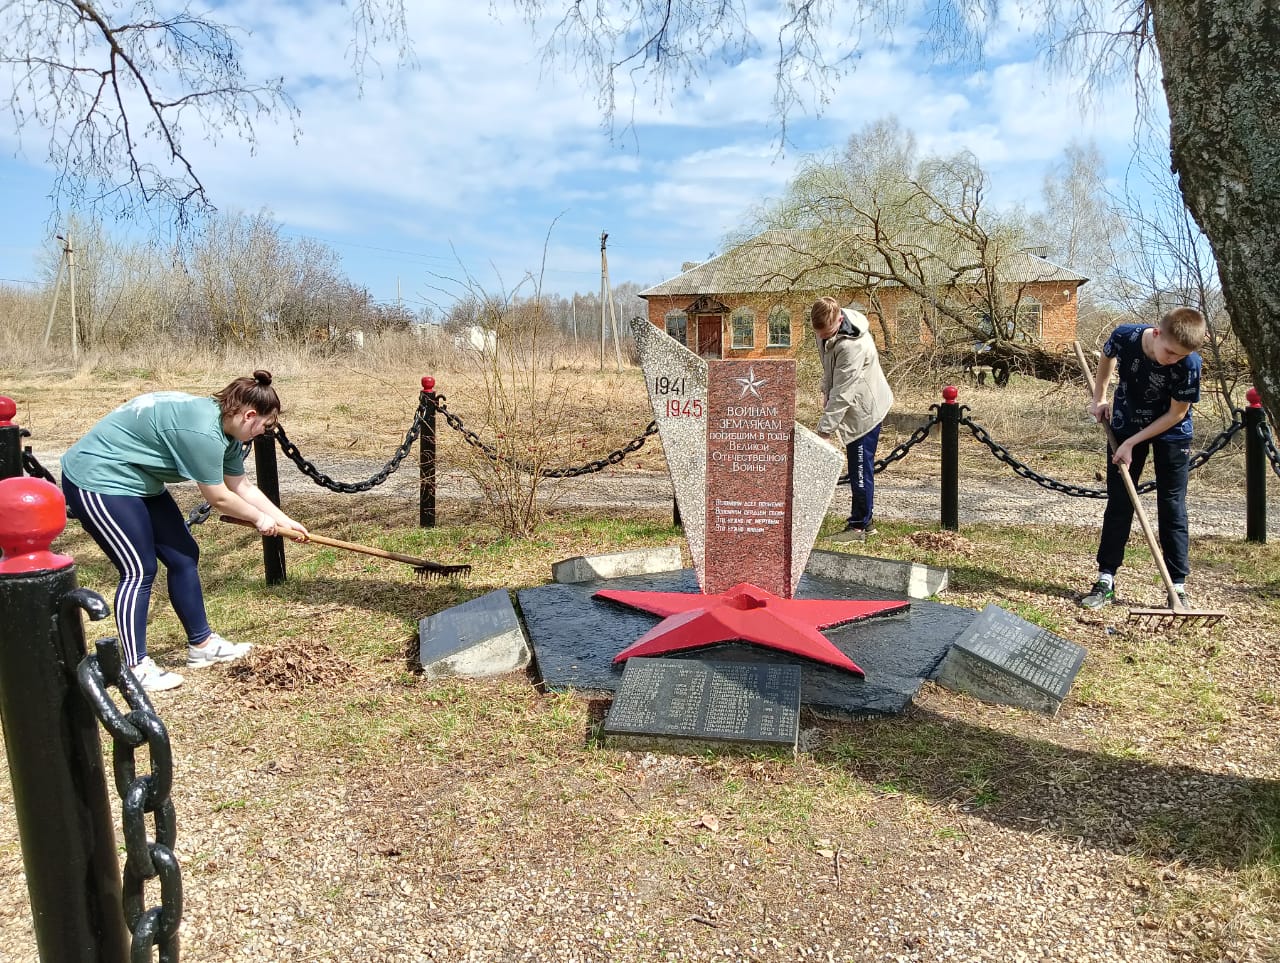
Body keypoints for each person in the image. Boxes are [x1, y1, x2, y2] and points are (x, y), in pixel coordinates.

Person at [60, 370, 309, 691]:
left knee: (184, 555)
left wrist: (283, 519)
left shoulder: (229, 429)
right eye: (264, 425)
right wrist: (260, 521)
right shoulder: (203, 433)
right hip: (98, 476)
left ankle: (202, 646)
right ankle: (135, 666)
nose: (263, 432)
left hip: (140, 479)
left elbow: (241, 486)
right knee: (138, 568)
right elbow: (219, 496)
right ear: (249, 415)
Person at [1080, 307, 1206, 610]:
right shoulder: (1126, 336)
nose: (1173, 359)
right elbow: (1107, 357)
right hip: (1126, 422)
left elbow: (1177, 413)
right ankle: (1105, 579)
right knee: (1120, 502)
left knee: (1172, 505)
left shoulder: (1190, 363)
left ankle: (1178, 587)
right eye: (1170, 352)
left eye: (1180, 356)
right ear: (1158, 333)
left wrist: (1132, 444)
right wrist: (1100, 397)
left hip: (1171, 433)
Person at [811, 297, 894, 539]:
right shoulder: (825, 326)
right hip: (848, 400)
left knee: (859, 465)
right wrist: (825, 389)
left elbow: (844, 394)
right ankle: (864, 520)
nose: (824, 338)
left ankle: (860, 526)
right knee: (857, 464)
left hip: (865, 409)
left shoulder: (853, 346)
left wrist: (824, 432)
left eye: (828, 333)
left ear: (839, 319)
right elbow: (828, 365)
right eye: (820, 334)